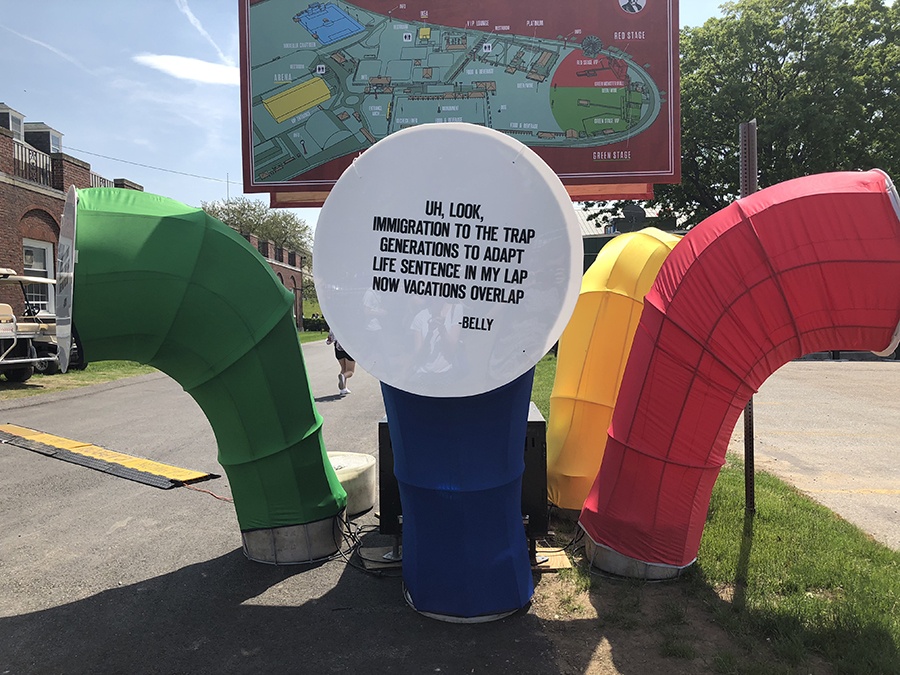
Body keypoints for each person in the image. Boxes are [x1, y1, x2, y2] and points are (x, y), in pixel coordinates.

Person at [326, 330, 355, 395]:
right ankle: (344, 376)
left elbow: (330, 337)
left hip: (338, 346)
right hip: (349, 345)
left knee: (343, 368)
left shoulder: (335, 323)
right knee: (350, 371)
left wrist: (328, 340)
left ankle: (343, 389)